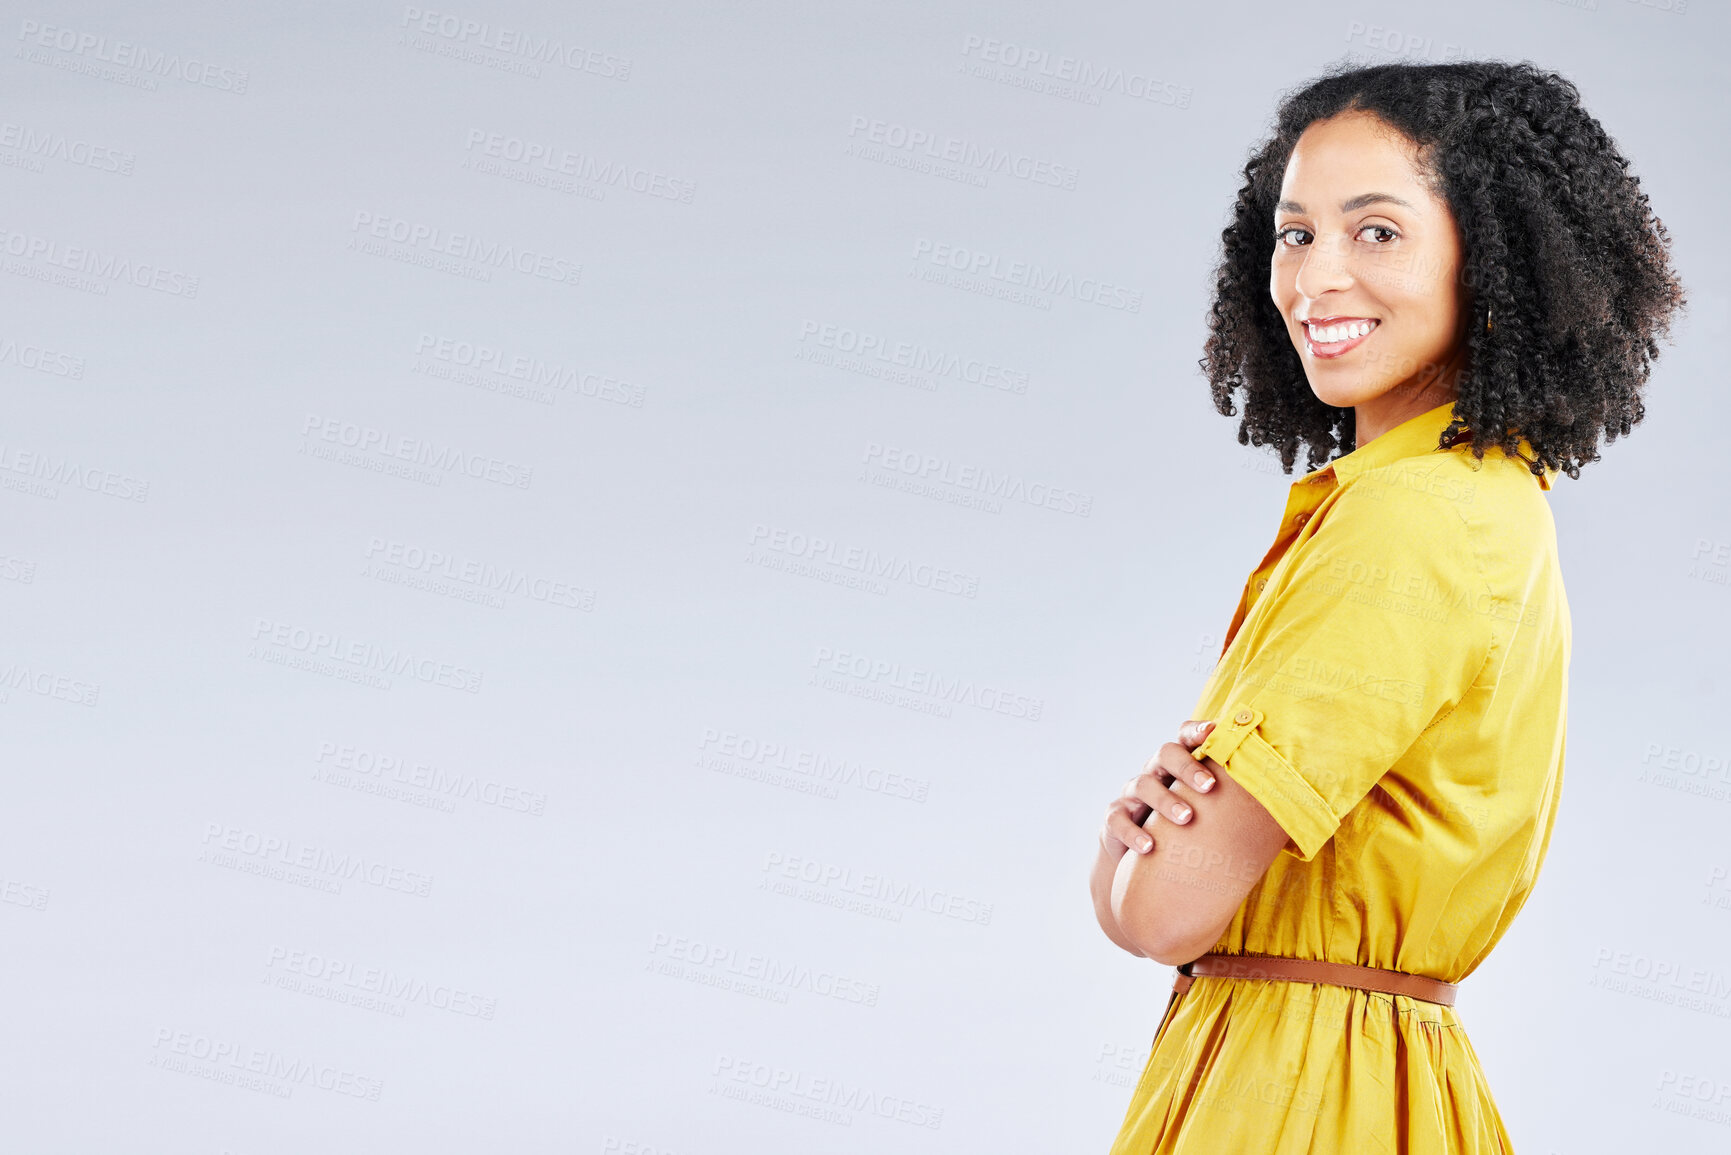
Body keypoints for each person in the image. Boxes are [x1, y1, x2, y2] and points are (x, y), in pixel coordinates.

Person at [1087, 60, 1685, 1153]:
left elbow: (1169, 909)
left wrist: (1121, 865)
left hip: (1293, 1095)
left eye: (1378, 232)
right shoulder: (1489, 504)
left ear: (1494, 259)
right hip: (1390, 1080)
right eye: (1296, 233)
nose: (1317, 279)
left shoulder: (1404, 524)